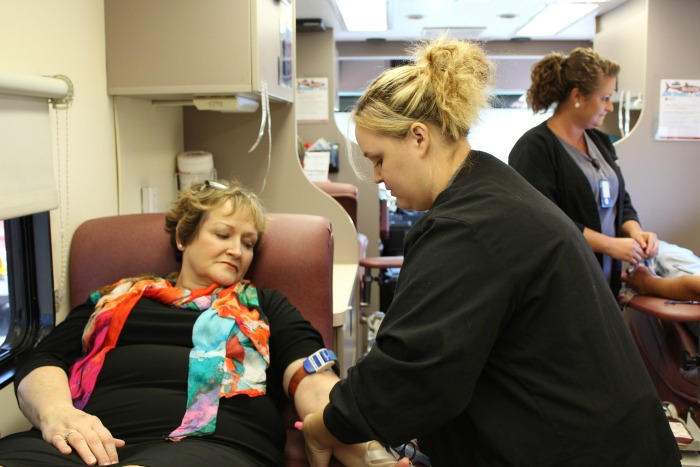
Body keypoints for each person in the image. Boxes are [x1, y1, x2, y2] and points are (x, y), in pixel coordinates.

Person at [300, 38, 680, 466]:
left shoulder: (466, 227)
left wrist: (325, 424)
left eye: (379, 158)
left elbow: (411, 374)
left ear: (419, 138)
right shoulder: (493, 189)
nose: (378, 176)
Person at [0, 180, 401, 467]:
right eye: (223, 234)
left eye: (248, 243)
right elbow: (42, 360)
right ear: (183, 237)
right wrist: (57, 415)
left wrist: (361, 445)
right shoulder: (113, 297)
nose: (236, 250)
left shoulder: (262, 305)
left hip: (214, 445)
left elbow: (310, 375)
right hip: (83, 440)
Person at [508, 47, 658, 296]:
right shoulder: (534, 148)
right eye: (605, 98)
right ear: (578, 96)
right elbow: (544, 222)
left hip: (605, 277)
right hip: (563, 282)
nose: (610, 107)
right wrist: (610, 245)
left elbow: (622, 201)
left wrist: (635, 233)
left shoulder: (601, 142)